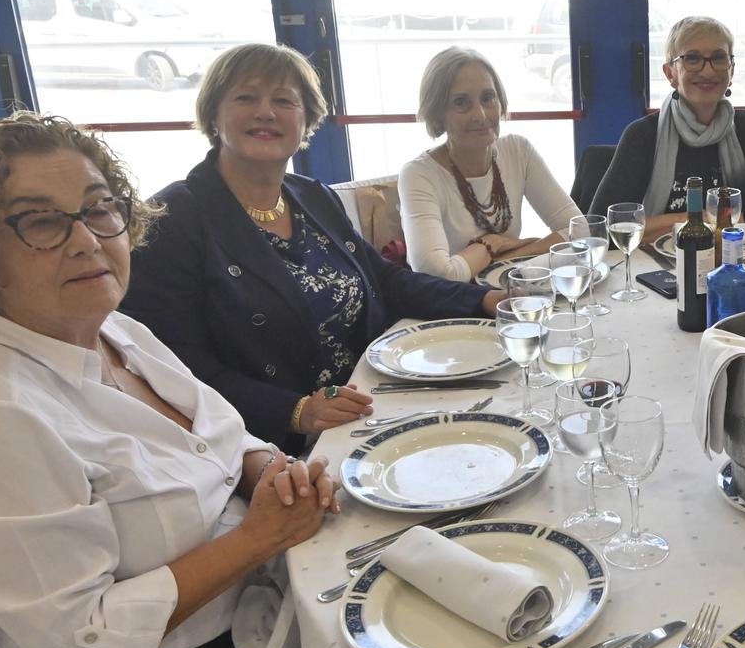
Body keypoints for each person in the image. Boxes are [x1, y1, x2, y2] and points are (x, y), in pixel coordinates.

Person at [0, 113, 335, 648]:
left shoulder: (113, 331)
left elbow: (219, 434)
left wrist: (267, 470)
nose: (86, 240)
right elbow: (77, 638)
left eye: (100, 209)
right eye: (40, 221)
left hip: (247, 615)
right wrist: (256, 539)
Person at [121, 43, 502, 452]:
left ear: (307, 122)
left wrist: (486, 299)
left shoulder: (311, 196)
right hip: (271, 447)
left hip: (375, 402)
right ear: (214, 113)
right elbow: (170, 363)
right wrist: (295, 410)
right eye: (246, 97)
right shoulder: (174, 219)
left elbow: (386, 280)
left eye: (284, 100)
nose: (266, 112)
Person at [589, 15, 745, 231]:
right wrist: (699, 220)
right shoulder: (643, 135)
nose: (708, 70)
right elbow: (602, 226)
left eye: (718, 58)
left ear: (732, 70)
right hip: (655, 263)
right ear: (670, 73)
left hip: (733, 257)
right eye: (692, 59)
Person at [399, 47, 577, 279]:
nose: (481, 115)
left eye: (488, 98)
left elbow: (579, 231)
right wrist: (489, 244)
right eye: (461, 102)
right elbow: (437, 275)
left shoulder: (518, 151)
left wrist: (504, 254)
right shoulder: (418, 175)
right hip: (455, 307)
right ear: (437, 112)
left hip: (511, 296)